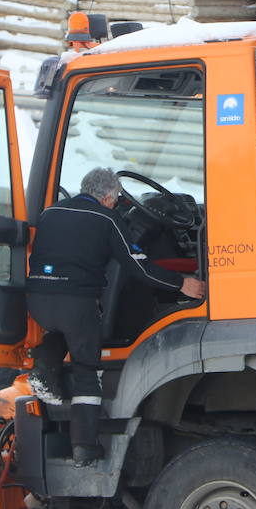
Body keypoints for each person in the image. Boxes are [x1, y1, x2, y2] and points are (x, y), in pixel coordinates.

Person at [27, 167, 205, 465]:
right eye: (116, 199)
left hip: (38, 300)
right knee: (87, 369)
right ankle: (84, 446)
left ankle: (44, 364)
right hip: (76, 303)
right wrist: (182, 283)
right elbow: (140, 268)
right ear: (109, 198)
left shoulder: (49, 213)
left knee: (63, 331)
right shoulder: (107, 219)